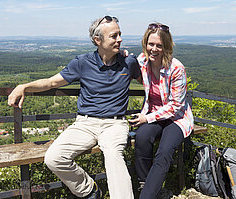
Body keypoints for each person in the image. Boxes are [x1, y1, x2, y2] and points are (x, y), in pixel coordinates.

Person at [8, 16, 141, 199]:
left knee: (113, 156)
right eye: (114, 36)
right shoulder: (82, 62)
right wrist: (24, 87)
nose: (119, 39)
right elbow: (52, 82)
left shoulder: (129, 62)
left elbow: (150, 83)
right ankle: (89, 191)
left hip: (115, 124)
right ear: (98, 40)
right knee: (54, 158)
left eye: (120, 34)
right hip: (85, 124)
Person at [128, 22, 194, 199]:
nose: (154, 49)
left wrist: (146, 118)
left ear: (166, 47)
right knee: (142, 138)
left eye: (159, 45)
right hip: (154, 114)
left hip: (177, 118)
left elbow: (175, 107)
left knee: (164, 152)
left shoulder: (176, 69)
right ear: (145, 43)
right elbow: (129, 62)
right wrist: (122, 54)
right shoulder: (143, 61)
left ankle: (146, 196)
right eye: (151, 44)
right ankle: (145, 185)